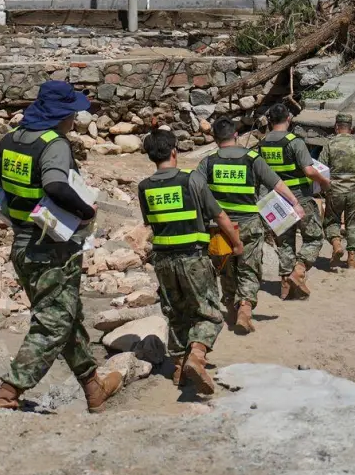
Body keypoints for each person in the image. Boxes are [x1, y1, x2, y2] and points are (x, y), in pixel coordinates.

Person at [0, 81, 121, 419]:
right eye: (72, 112)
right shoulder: (54, 144)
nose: (75, 118)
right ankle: (8, 393)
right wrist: (86, 211)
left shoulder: (10, 139)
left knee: (66, 315)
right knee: (54, 323)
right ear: (61, 114)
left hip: (22, 244)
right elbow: (56, 185)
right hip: (51, 248)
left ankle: (93, 388)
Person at [136, 128, 238, 396]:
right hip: (193, 257)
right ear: (174, 151)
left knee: (177, 312)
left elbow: (152, 224)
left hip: (162, 261)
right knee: (210, 313)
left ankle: (180, 367)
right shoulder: (192, 180)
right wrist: (236, 243)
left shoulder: (144, 187)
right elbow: (220, 216)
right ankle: (197, 353)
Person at [195, 117, 298, 334]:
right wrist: (295, 203)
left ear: (215, 138)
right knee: (249, 269)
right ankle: (245, 308)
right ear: (235, 135)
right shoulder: (252, 159)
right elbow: (277, 184)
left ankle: (231, 308)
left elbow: (196, 193)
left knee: (226, 269)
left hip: (220, 227)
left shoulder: (207, 162)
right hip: (250, 225)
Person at [260, 104, 330, 300]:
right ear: (289, 119)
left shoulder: (263, 143)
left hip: (275, 200)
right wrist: (324, 182)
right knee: (315, 237)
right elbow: (308, 171)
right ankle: (298, 271)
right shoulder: (295, 142)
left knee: (285, 243)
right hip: (300, 197)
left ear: (270, 121)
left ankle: (285, 287)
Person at [318, 113, 355, 270]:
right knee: (353, 223)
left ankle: (337, 244)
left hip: (334, 190)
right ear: (352, 129)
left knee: (331, 221)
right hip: (353, 190)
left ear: (336, 127)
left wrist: (325, 185)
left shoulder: (330, 143)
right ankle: (352, 259)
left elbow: (320, 167)